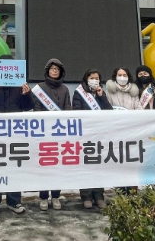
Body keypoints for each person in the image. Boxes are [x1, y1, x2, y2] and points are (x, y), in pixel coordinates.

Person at [0, 54, 33, 217]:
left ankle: (14, 201)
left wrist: (26, 94)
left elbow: (28, 107)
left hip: (15, 132)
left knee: (14, 166)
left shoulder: (21, 84)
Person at [31, 58, 71, 211]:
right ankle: (43, 197)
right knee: (44, 166)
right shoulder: (39, 88)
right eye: (52, 68)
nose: (54, 71)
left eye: (57, 69)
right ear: (47, 70)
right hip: (44, 133)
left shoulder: (65, 89)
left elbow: (67, 109)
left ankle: (55, 196)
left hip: (59, 133)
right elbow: (36, 109)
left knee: (57, 167)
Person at [72, 69, 112, 209]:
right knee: (85, 165)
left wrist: (101, 97)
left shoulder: (101, 93)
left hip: (99, 135)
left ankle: (99, 195)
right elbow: (77, 112)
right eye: (92, 78)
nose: (95, 80)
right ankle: (86, 196)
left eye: (97, 78)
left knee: (98, 165)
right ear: (86, 79)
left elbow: (109, 111)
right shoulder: (79, 93)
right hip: (85, 134)